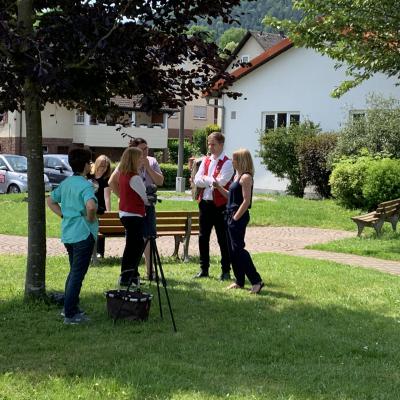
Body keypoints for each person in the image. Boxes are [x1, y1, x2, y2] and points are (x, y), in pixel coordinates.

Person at [47, 148, 98, 324]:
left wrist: (63, 214)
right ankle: (70, 314)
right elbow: (91, 206)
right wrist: (90, 219)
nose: (91, 165)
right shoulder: (86, 185)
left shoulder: (66, 183)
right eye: (90, 162)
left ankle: (70, 308)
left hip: (69, 234)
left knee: (74, 272)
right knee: (77, 274)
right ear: (85, 165)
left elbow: (50, 201)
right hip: (83, 234)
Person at [108, 138, 164, 280]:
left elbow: (160, 181)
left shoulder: (151, 161)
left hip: (139, 210)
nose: (145, 152)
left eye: (146, 148)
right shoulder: (127, 168)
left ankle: (147, 272)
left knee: (143, 240)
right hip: (134, 210)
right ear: (133, 153)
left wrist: (148, 167)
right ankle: (131, 274)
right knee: (135, 244)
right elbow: (112, 182)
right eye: (141, 150)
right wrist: (124, 197)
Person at [213, 148, 264, 294]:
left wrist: (235, 218)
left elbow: (246, 201)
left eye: (234, 159)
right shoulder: (237, 176)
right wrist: (218, 187)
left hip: (238, 217)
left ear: (241, 160)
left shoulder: (246, 177)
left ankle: (256, 281)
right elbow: (231, 196)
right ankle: (239, 281)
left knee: (238, 250)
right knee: (232, 251)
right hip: (230, 215)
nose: (232, 161)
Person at [193, 131, 234, 280]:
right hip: (205, 204)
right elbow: (197, 180)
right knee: (203, 237)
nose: (210, 147)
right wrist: (211, 180)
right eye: (209, 144)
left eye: (213, 144)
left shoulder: (228, 163)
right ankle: (204, 269)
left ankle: (225, 270)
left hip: (220, 206)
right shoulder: (206, 160)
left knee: (223, 238)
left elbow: (221, 182)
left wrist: (206, 179)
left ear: (221, 145)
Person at [117, 146, 149, 286]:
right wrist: (151, 199)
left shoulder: (123, 174)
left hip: (125, 213)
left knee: (132, 245)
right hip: (134, 214)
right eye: (140, 157)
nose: (142, 160)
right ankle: (127, 276)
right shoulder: (134, 177)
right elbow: (145, 198)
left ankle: (132, 276)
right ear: (134, 159)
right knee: (135, 247)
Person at [87, 155, 112, 258]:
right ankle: (89, 251)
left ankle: (100, 252)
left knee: (100, 230)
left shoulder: (106, 179)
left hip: (100, 208)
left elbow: (107, 197)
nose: (103, 168)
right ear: (97, 164)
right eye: (101, 165)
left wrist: (109, 212)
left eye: (105, 166)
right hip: (88, 206)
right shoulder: (89, 176)